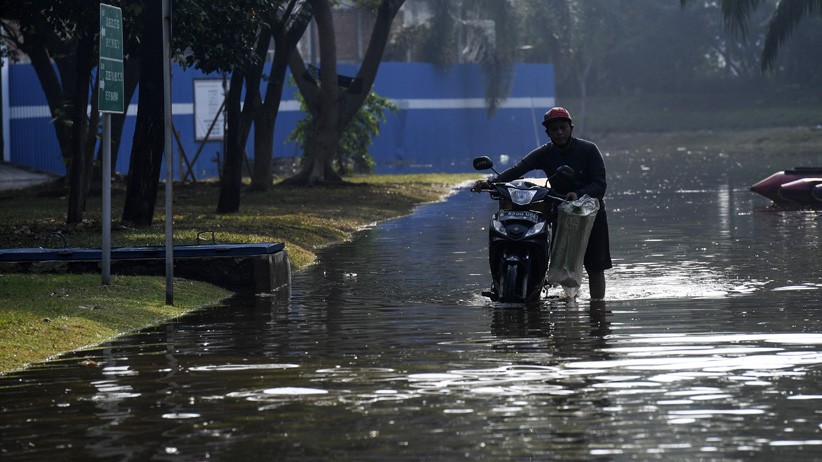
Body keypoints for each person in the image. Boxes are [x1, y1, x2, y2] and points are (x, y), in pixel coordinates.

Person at [472, 107, 612, 300]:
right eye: (554, 129)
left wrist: (578, 194)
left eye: (563, 127)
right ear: (548, 133)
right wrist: (490, 183)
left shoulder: (589, 150)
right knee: (562, 263)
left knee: (595, 266)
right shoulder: (544, 153)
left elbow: (600, 184)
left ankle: (598, 308)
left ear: (571, 128)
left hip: (591, 216)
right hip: (561, 213)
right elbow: (519, 168)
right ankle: (564, 299)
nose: (559, 132)